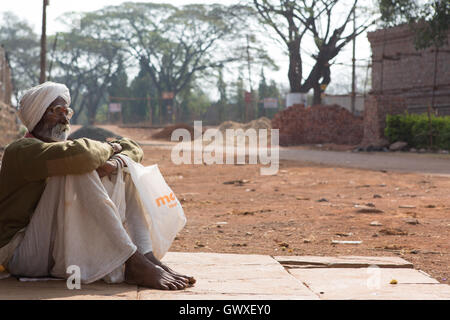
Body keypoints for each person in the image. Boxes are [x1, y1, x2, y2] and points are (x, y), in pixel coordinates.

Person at [0, 82, 195, 290]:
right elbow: (82, 156)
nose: (65, 119)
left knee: (122, 167)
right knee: (79, 168)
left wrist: (116, 161)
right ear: (37, 113)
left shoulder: (62, 149)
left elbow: (134, 147)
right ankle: (132, 260)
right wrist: (112, 147)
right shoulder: (21, 150)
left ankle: (145, 254)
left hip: (49, 247)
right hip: (19, 254)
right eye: (57, 111)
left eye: (68, 112)